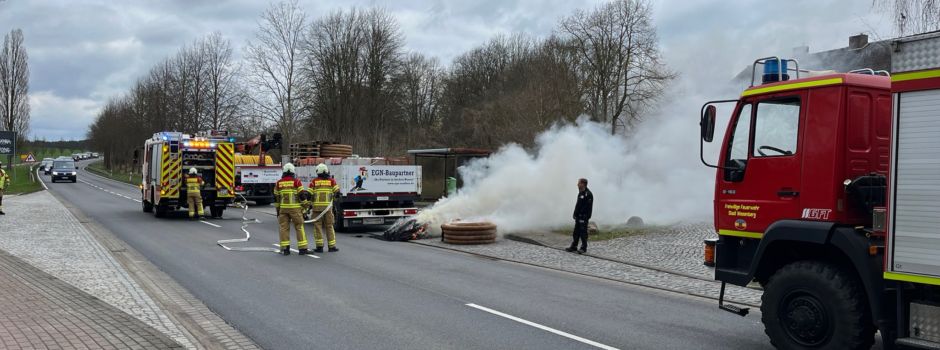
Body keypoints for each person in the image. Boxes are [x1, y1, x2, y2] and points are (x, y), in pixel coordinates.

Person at [274, 163, 309, 255]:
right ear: (293, 172)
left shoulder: (278, 183)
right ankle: (302, 249)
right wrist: (306, 206)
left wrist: (278, 211)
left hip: (283, 209)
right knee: (299, 227)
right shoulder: (297, 182)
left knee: (283, 228)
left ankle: (285, 249)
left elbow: (276, 199)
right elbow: (302, 195)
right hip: (295, 209)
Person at [309, 163, 340, 252]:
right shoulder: (332, 181)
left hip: (317, 209)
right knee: (329, 226)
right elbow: (337, 192)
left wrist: (308, 205)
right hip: (328, 209)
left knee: (317, 227)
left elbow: (309, 194)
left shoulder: (314, 181)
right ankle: (332, 247)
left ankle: (319, 247)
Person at [566, 178, 593, 254]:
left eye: (579, 183)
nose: (577, 184)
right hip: (578, 216)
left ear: (583, 184)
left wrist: (586, 217)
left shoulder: (588, 194)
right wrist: (575, 213)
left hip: (584, 217)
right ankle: (574, 246)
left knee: (583, 233)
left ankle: (583, 248)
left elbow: (588, 207)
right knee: (576, 232)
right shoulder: (580, 193)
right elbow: (578, 205)